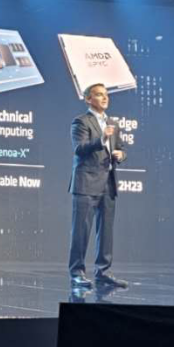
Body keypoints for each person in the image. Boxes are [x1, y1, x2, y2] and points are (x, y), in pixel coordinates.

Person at [68, 83, 128, 290]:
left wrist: (121, 155)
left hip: (108, 184)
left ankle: (103, 272)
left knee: (106, 232)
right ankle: (77, 273)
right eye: (99, 94)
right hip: (86, 183)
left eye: (106, 94)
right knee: (81, 232)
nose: (105, 98)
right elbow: (79, 149)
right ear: (88, 99)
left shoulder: (113, 123)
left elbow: (120, 148)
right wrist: (101, 139)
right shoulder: (81, 121)